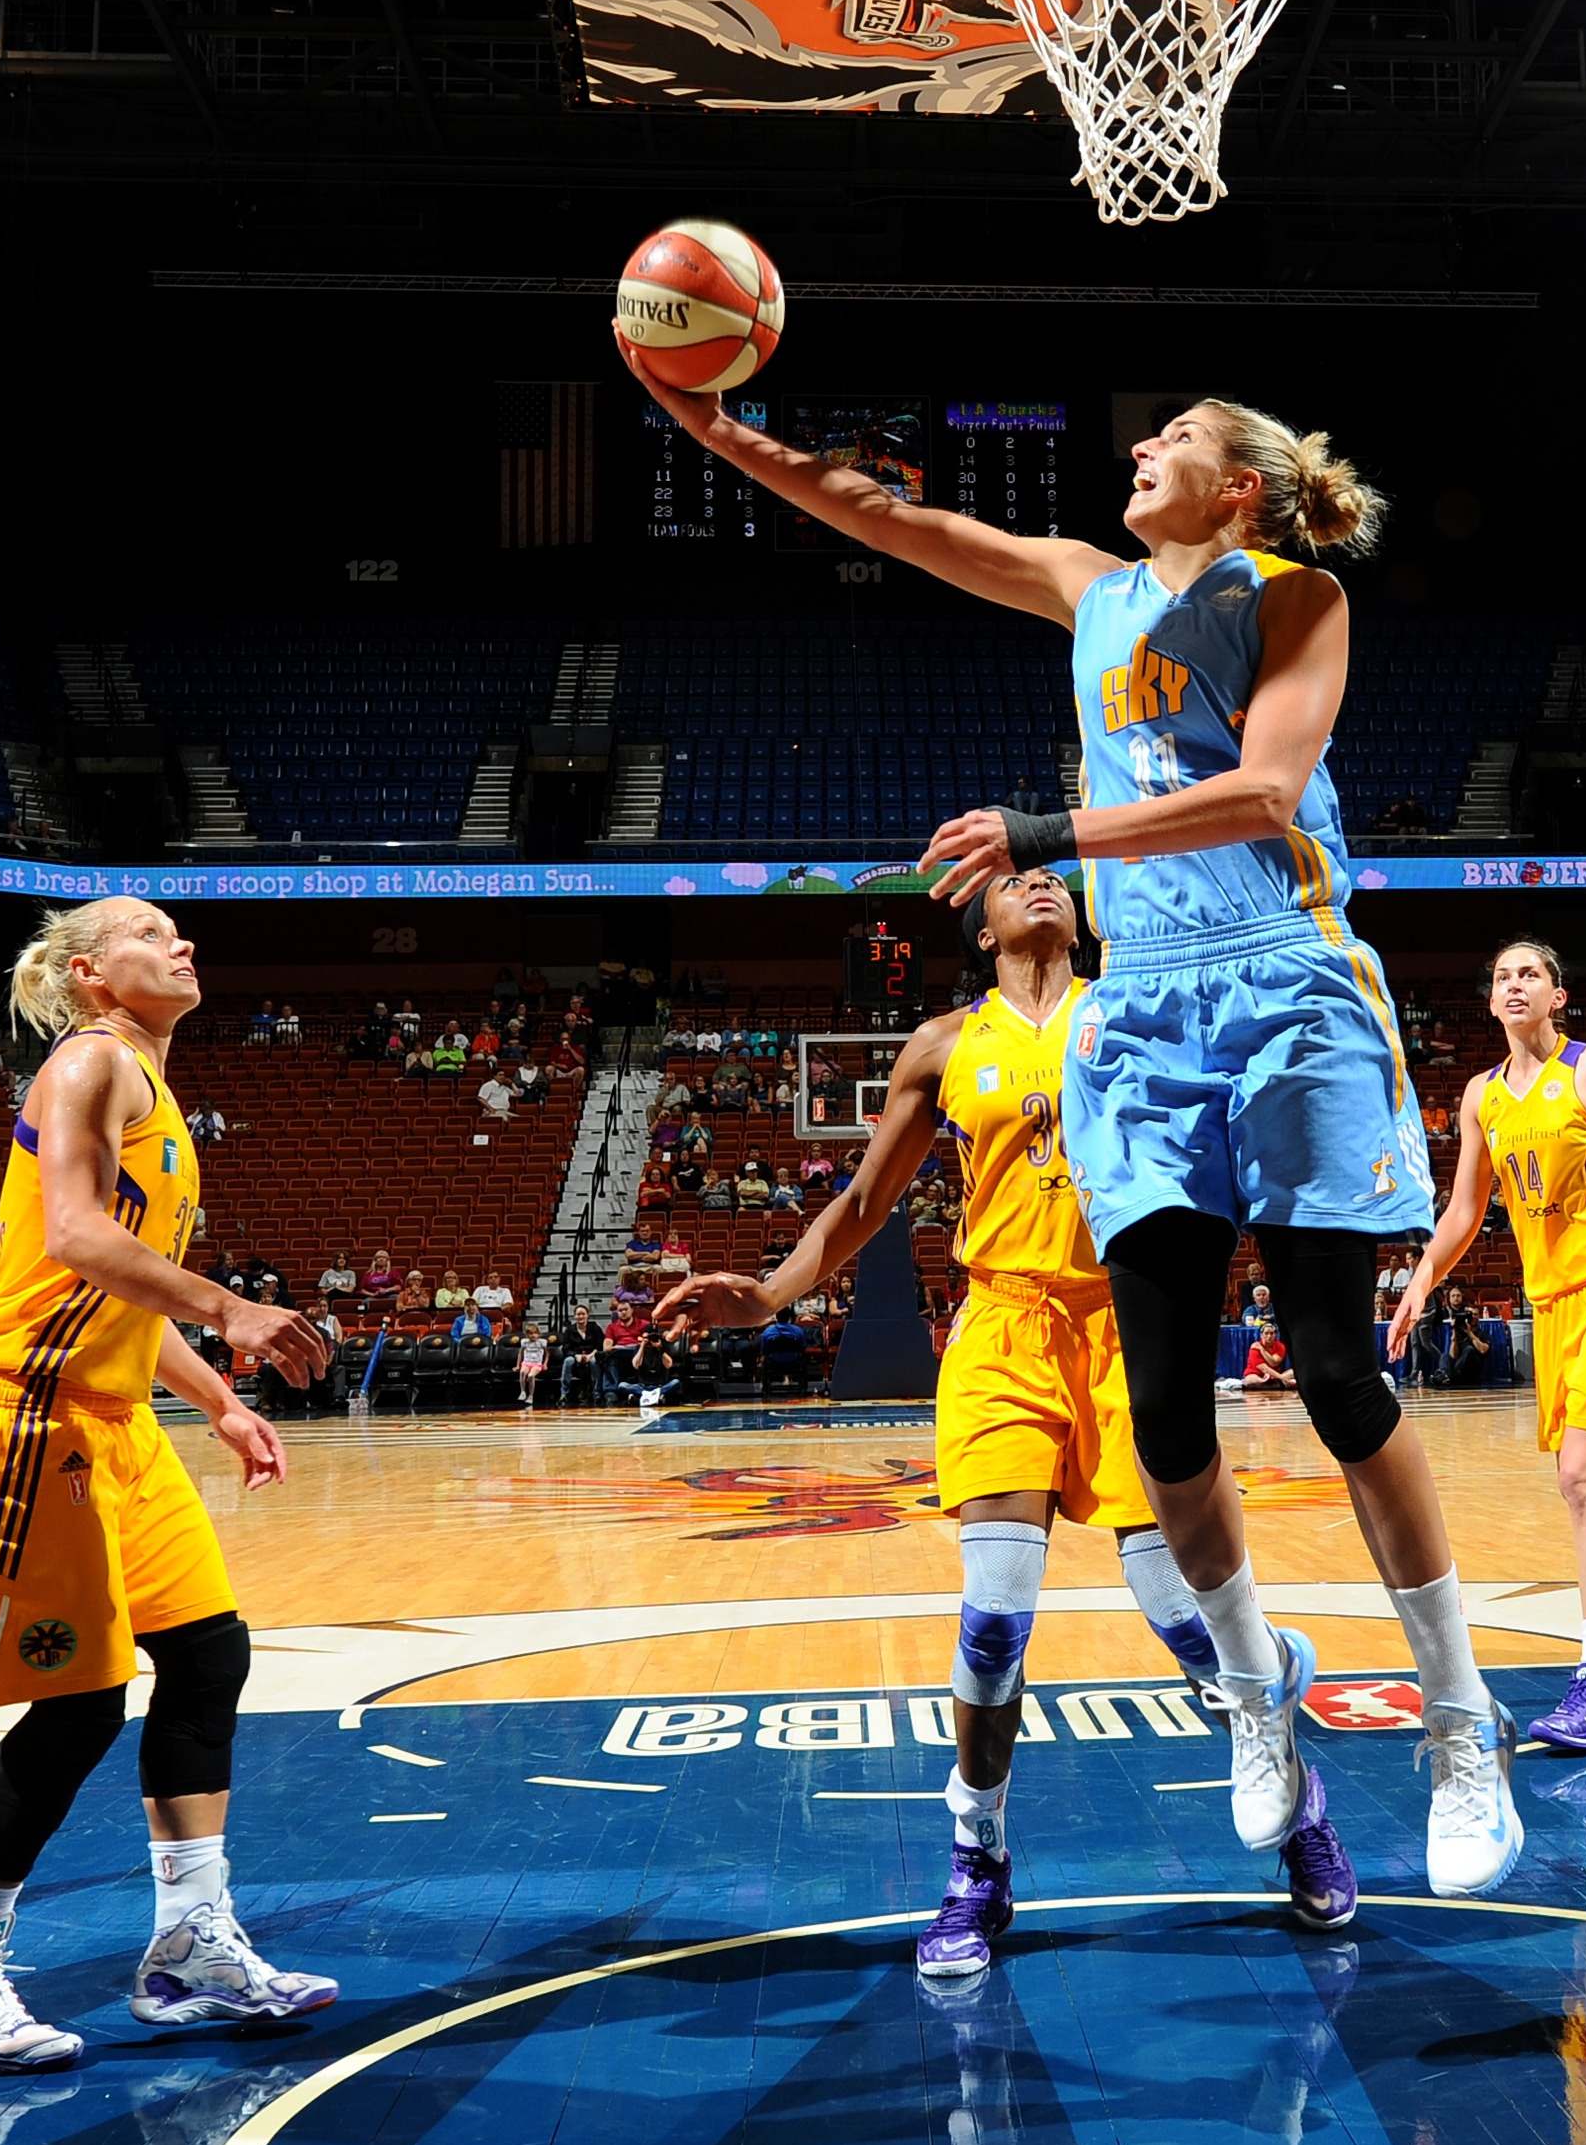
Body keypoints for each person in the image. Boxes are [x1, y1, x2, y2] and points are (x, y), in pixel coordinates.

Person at [627, 350, 1521, 1899]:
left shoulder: (1296, 598)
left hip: (1288, 980)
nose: (1143, 446)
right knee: (1168, 1407)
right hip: (1151, 1008)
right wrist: (722, 432)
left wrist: (1049, 828)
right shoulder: (1089, 587)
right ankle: (1256, 1696)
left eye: (1173, 435)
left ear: (1238, 484)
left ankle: (1461, 1718)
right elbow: (891, 522)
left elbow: (1263, 791)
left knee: (1332, 1367)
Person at [661, 868, 1355, 1973]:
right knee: (993, 1627)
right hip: (1002, 1331)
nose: (1037, 883)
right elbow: (864, 1204)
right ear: (980, 930)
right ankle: (975, 1863)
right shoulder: (941, 1047)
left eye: (1054, 874)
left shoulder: (1136, 1010)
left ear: (1082, 917)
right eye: (1013, 879)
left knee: (1185, 1626)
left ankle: (1299, 1796)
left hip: (1128, 1330)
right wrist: (768, 1291)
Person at [0, 898, 339, 2074]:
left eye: (180, 931)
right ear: (91, 975)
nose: (179, 942)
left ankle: (190, 1947)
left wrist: (220, 1400)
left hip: (116, 1418)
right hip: (27, 1418)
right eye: (148, 933)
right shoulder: (90, 1058)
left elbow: (123, 1287)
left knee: (206, 1655)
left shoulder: (150, 1078)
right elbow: (81, 1235)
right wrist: (233, 1310)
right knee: (80, 1705)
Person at [1394, 940, 1586, 1754]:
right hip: (1553, 1306)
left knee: (1578, 1475)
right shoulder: (1481, 1097)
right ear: (1492, 1003)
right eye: (1502, 976)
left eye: (1529, 973)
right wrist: (1424, 1276)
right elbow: (1465, 1210)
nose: (1515, 984)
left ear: (1558, 996)